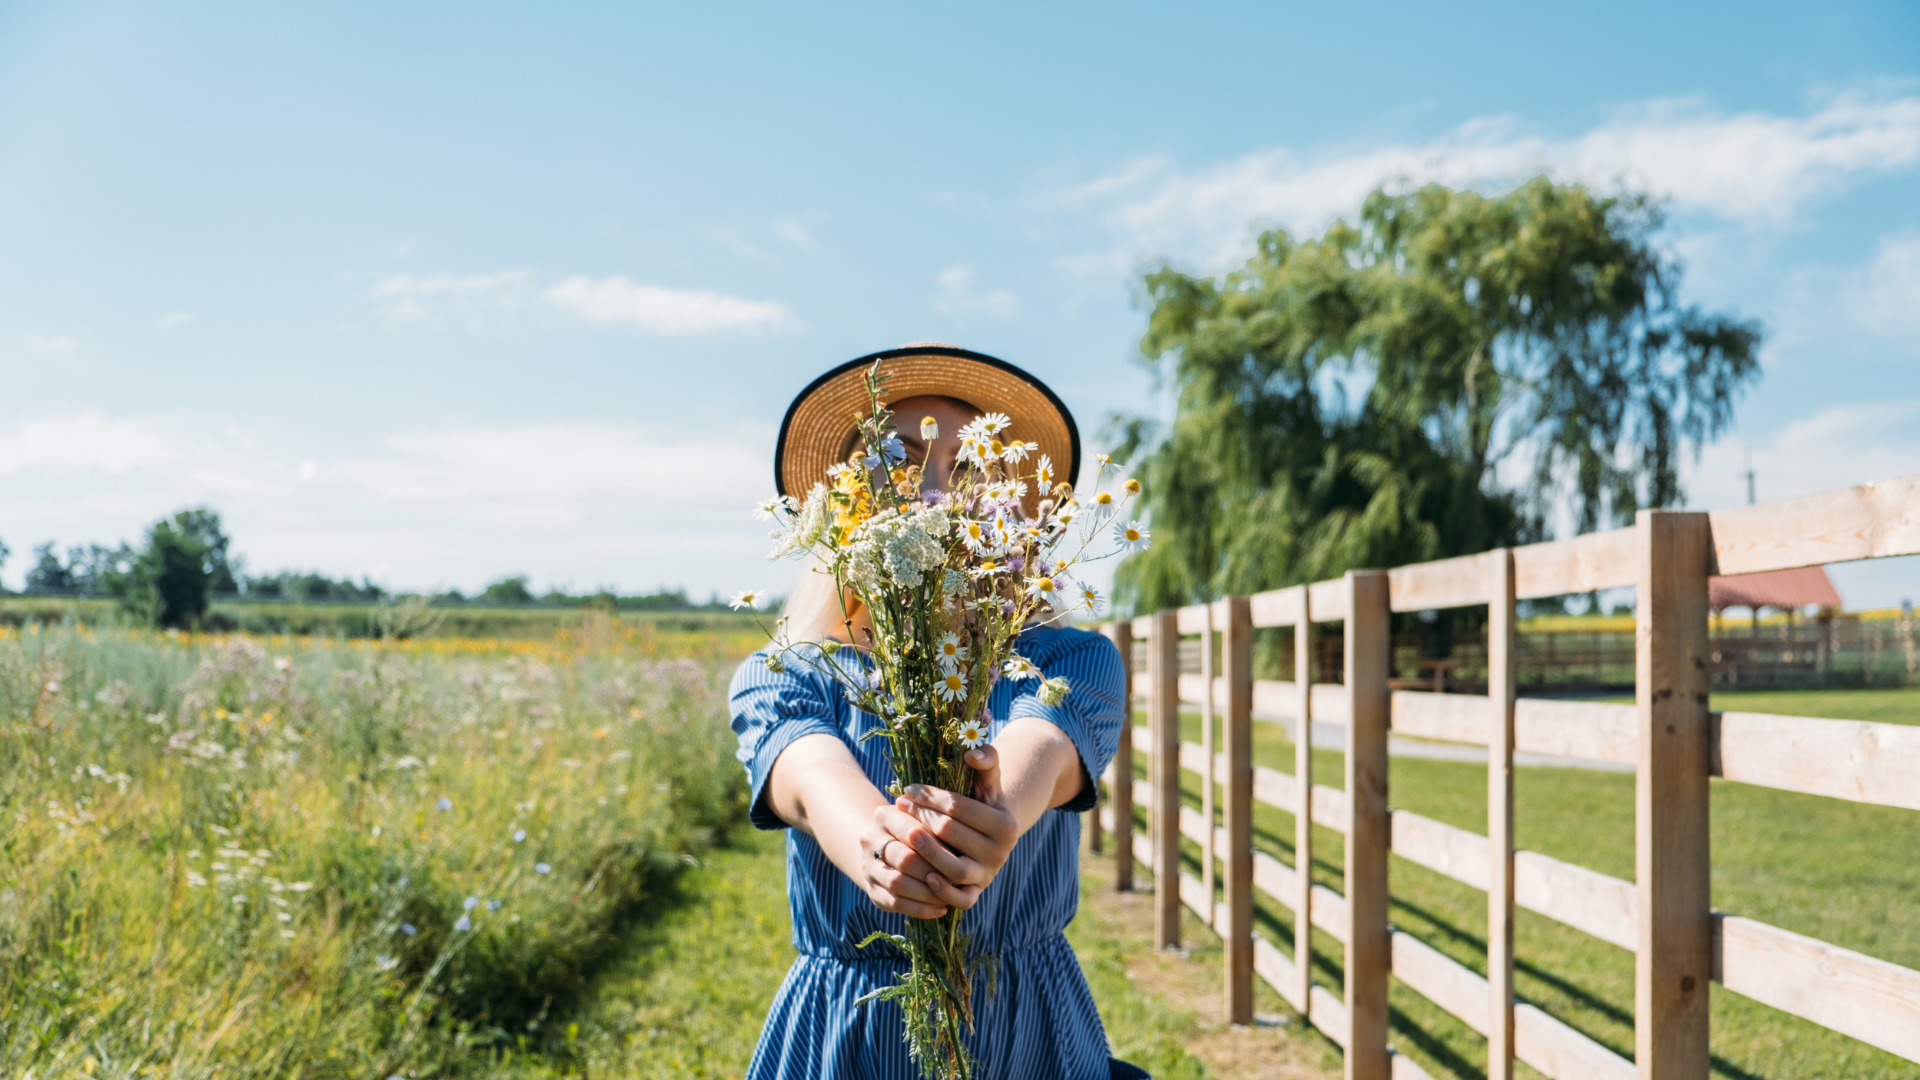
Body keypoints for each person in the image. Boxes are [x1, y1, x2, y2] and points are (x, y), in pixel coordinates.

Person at [730, 345, 1145, 1079]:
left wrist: (993, 822)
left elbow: (1038, 746)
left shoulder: (1066, 662)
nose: (935, 493)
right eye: (900, 461)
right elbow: (810, 769)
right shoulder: (788, 673)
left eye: (969, 467)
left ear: (1016, 511)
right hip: (852, 1037)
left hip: (1026, 1036)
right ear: (848, 508)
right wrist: (879, 845)